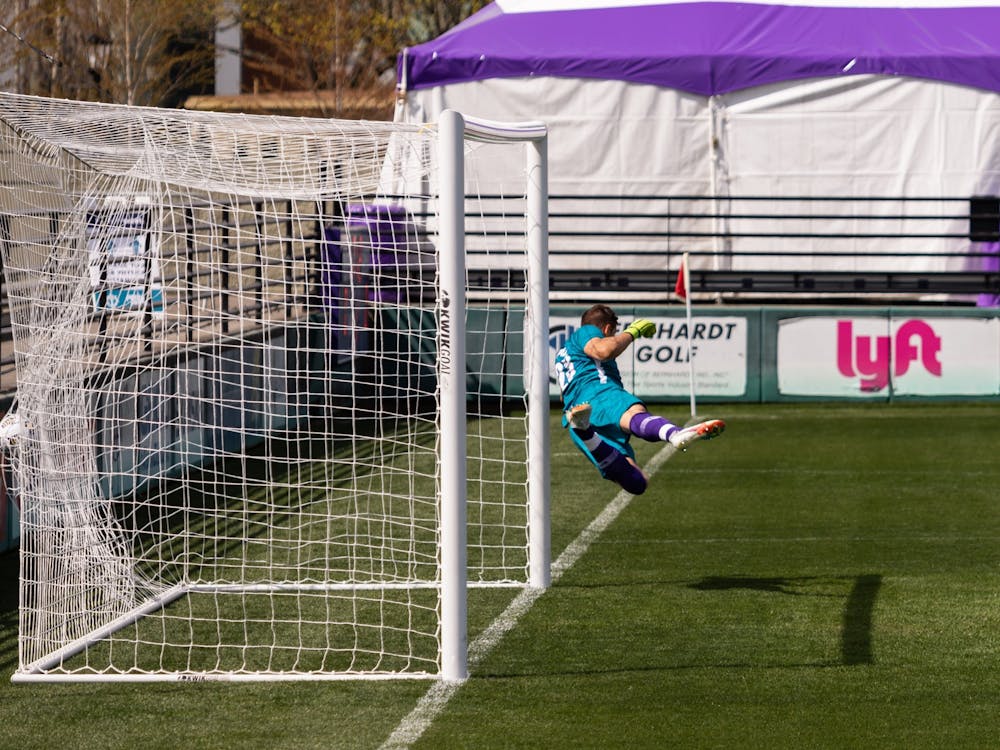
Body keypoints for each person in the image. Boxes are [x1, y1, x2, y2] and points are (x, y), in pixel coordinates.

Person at [554, 304, 725, 495]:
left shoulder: (563, 354)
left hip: (577, 417)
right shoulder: (586, 332)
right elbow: (603, 351)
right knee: (634, 413)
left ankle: (585, 432)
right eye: (613, 333)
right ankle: (674, 434)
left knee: (637, 483)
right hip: (599, 395)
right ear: (607, 329)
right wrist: (632, 332)